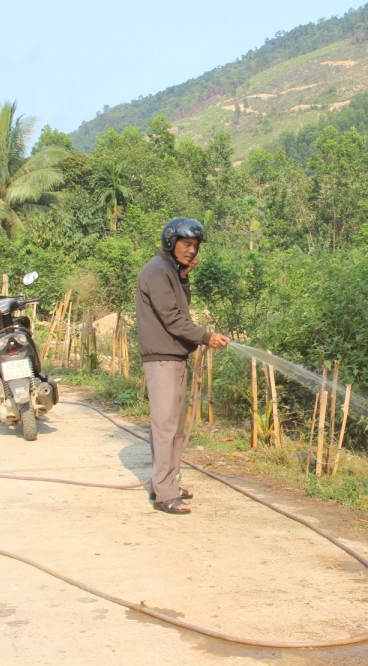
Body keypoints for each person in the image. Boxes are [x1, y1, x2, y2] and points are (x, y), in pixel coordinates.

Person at [135, 218, 230, 514]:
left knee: (174, 428)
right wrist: (205, 337)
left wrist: (185, 278)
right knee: (165, 426)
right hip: (161, 359)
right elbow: (173, 318)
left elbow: (179, 309)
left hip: (174, 357)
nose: (192, 250)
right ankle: (164, 493)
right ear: (170, 241)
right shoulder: (157, 271)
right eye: (186, 244)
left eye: (195, 246)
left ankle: (167, 483)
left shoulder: (170, 272)